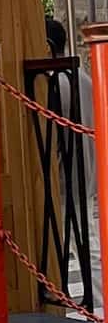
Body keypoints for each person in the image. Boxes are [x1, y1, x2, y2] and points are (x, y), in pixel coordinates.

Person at [46, 17, 97, 237]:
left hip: (67, 179)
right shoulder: (82, 77)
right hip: (88, 172)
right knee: (87, 239)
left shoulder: (55, 83)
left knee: (82, 242)